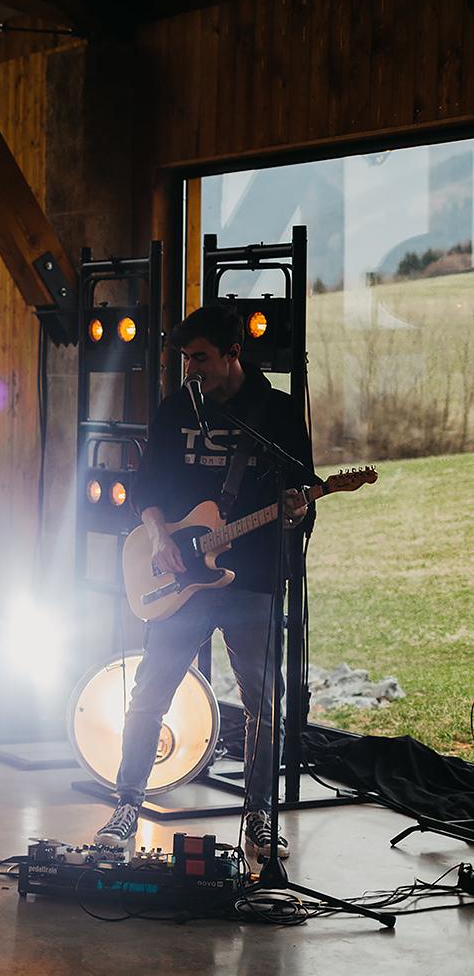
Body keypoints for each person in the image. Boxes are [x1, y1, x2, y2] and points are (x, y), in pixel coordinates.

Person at [95, 304, 315, 862]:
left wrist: (295, 511)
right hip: (178, 579)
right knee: (150, 693)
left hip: (255, 578)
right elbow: (146, 490)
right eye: (186, 358)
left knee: (265, 701)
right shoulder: (175, 411)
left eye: (201, 358)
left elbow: (303, 498)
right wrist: (160, 536)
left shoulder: (278, 414)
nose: (192, 369)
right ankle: (126, 804)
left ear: (233, 353)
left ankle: (259, 814)